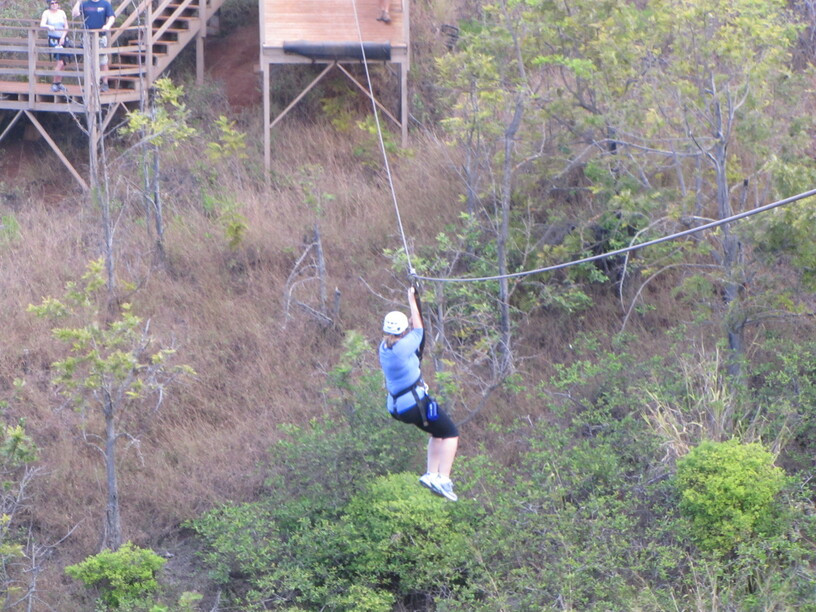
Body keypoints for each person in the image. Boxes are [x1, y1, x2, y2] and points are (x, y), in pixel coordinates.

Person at [379, 287, 460, 501]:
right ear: (403, 331)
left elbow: (410, 332)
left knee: (437, 433)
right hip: (414, 404)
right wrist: (412, 300)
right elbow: (419, 329)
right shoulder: (403, 347)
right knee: (451, 433)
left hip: (398, 407)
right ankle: (444, 479)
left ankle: (431, 474)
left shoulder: (384, 348)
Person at [71, 0, 114, 92]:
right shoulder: (85, 4)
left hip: (100, 36)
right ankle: (89, 84)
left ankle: (105, 83)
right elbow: (74, 14)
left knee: (103, 60)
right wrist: (78, 2)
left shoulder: (105, 4)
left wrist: (108, 25)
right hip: (87, 36)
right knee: (88, 60)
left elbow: (111, 16)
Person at [40, 0, 69, 93]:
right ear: (49, 4)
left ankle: (59, 82)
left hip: (63, 39)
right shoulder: (46, 13)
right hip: (53, 40)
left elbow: (66, 27)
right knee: (59, 62)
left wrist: (63, 37)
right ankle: (54, 83)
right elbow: (42, 24)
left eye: (56, 2)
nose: (54, 5)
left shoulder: (62, 13)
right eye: (52, 3)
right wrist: (48, 26)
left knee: (63, 63)